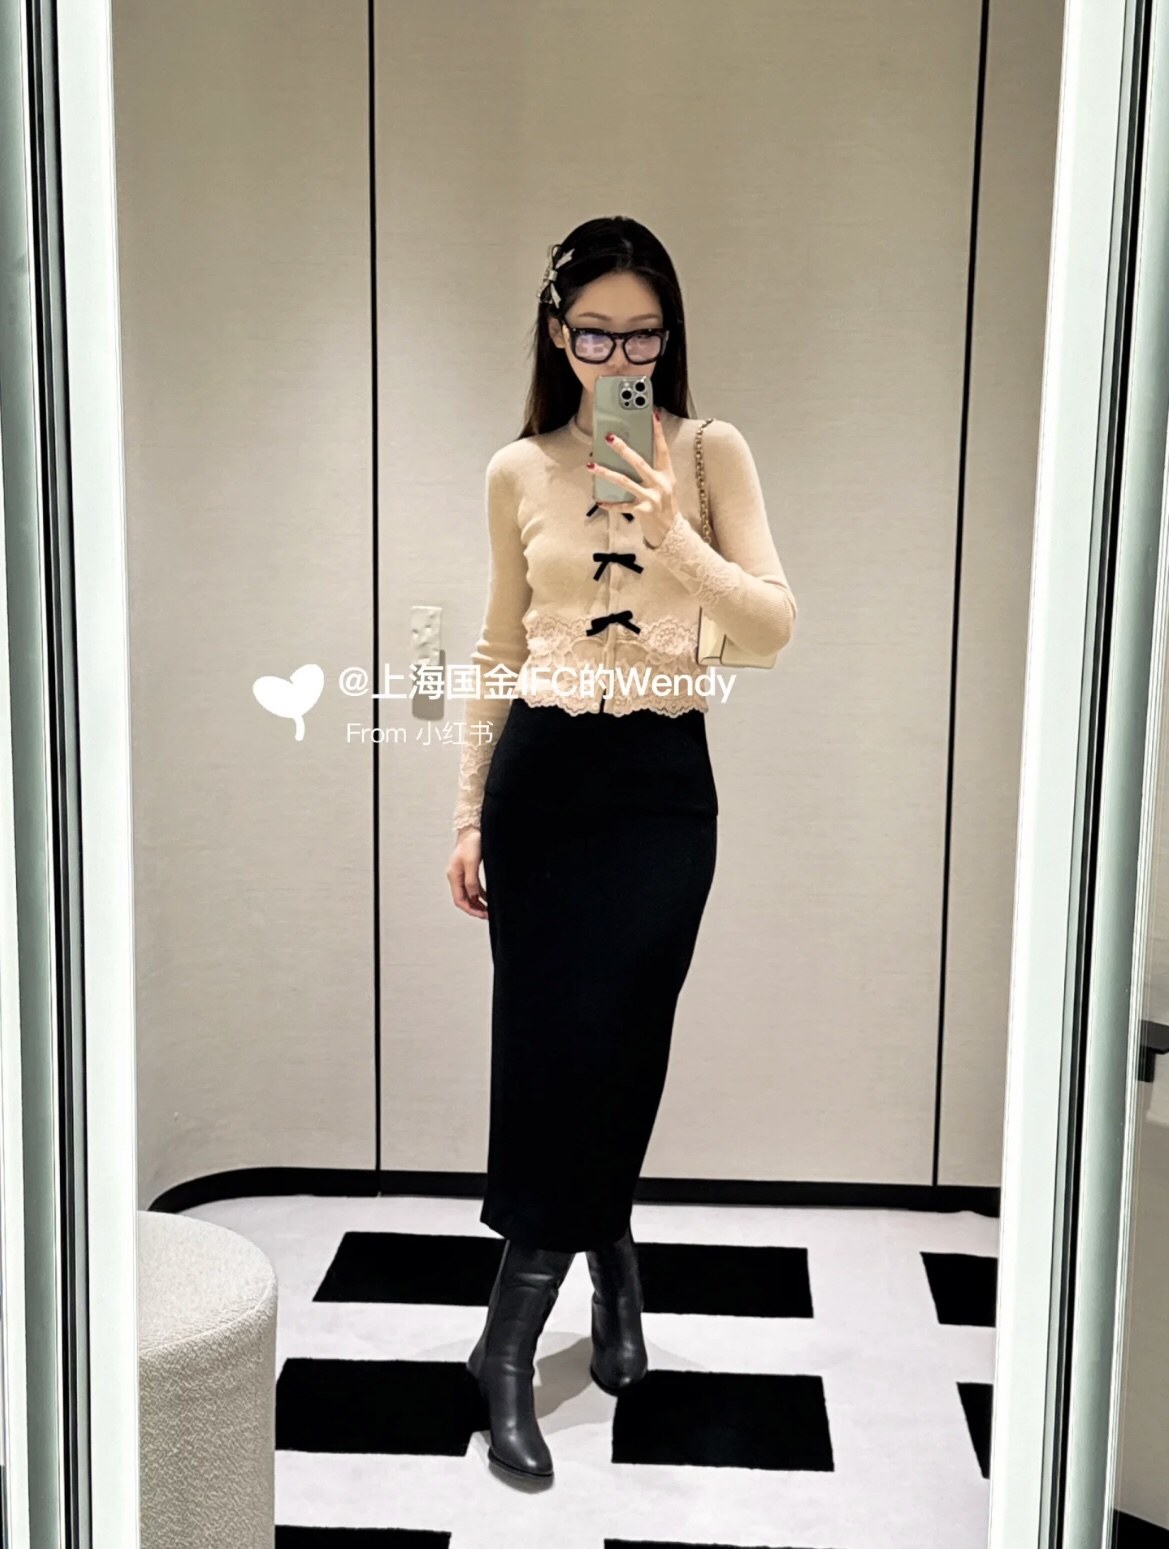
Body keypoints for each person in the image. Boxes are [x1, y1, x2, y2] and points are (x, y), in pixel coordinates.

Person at [446, 215, 798, 1483]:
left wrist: (671, 535)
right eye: (592, 333)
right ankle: (561, 1311)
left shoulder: (707, 451)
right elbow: (498, 644)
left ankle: (529, 1324)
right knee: (550, 1057)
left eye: (641, 335)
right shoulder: (516, 469)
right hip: (543, 782)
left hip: (657, 793)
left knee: (618, 1049)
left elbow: (771, 627)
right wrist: (468, 811)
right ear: (556, 333)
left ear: (667, 336)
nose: (616, 356)